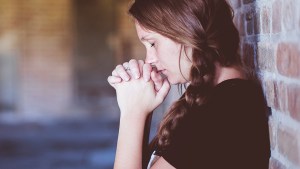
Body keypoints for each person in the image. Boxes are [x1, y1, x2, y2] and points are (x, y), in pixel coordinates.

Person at [107, 0, 271, 168]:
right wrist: (142, 107)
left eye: (152, 43)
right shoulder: (213, 98)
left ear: (186, 30)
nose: (149, 61)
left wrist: (132, 114)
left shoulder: (226, 111)